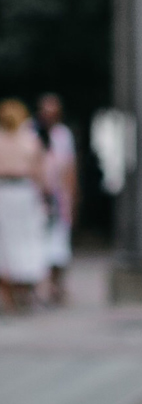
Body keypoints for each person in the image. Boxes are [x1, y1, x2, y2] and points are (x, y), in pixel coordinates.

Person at [0, 98, 49, 311]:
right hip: (24, 193)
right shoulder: (30, 140)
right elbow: (40, 174)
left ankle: (9, 294)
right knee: (27, 240)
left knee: (5, 243)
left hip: (4, 193)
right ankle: (24, 290)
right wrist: (45, 199)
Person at [35, 94, 77, 305]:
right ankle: (40, 286)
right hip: (37, 198)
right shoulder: (32, 132)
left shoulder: (63, 135)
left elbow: (69, 169)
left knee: (59, 244)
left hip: (59, 197)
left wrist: (71, 198)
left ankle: (56, 284)